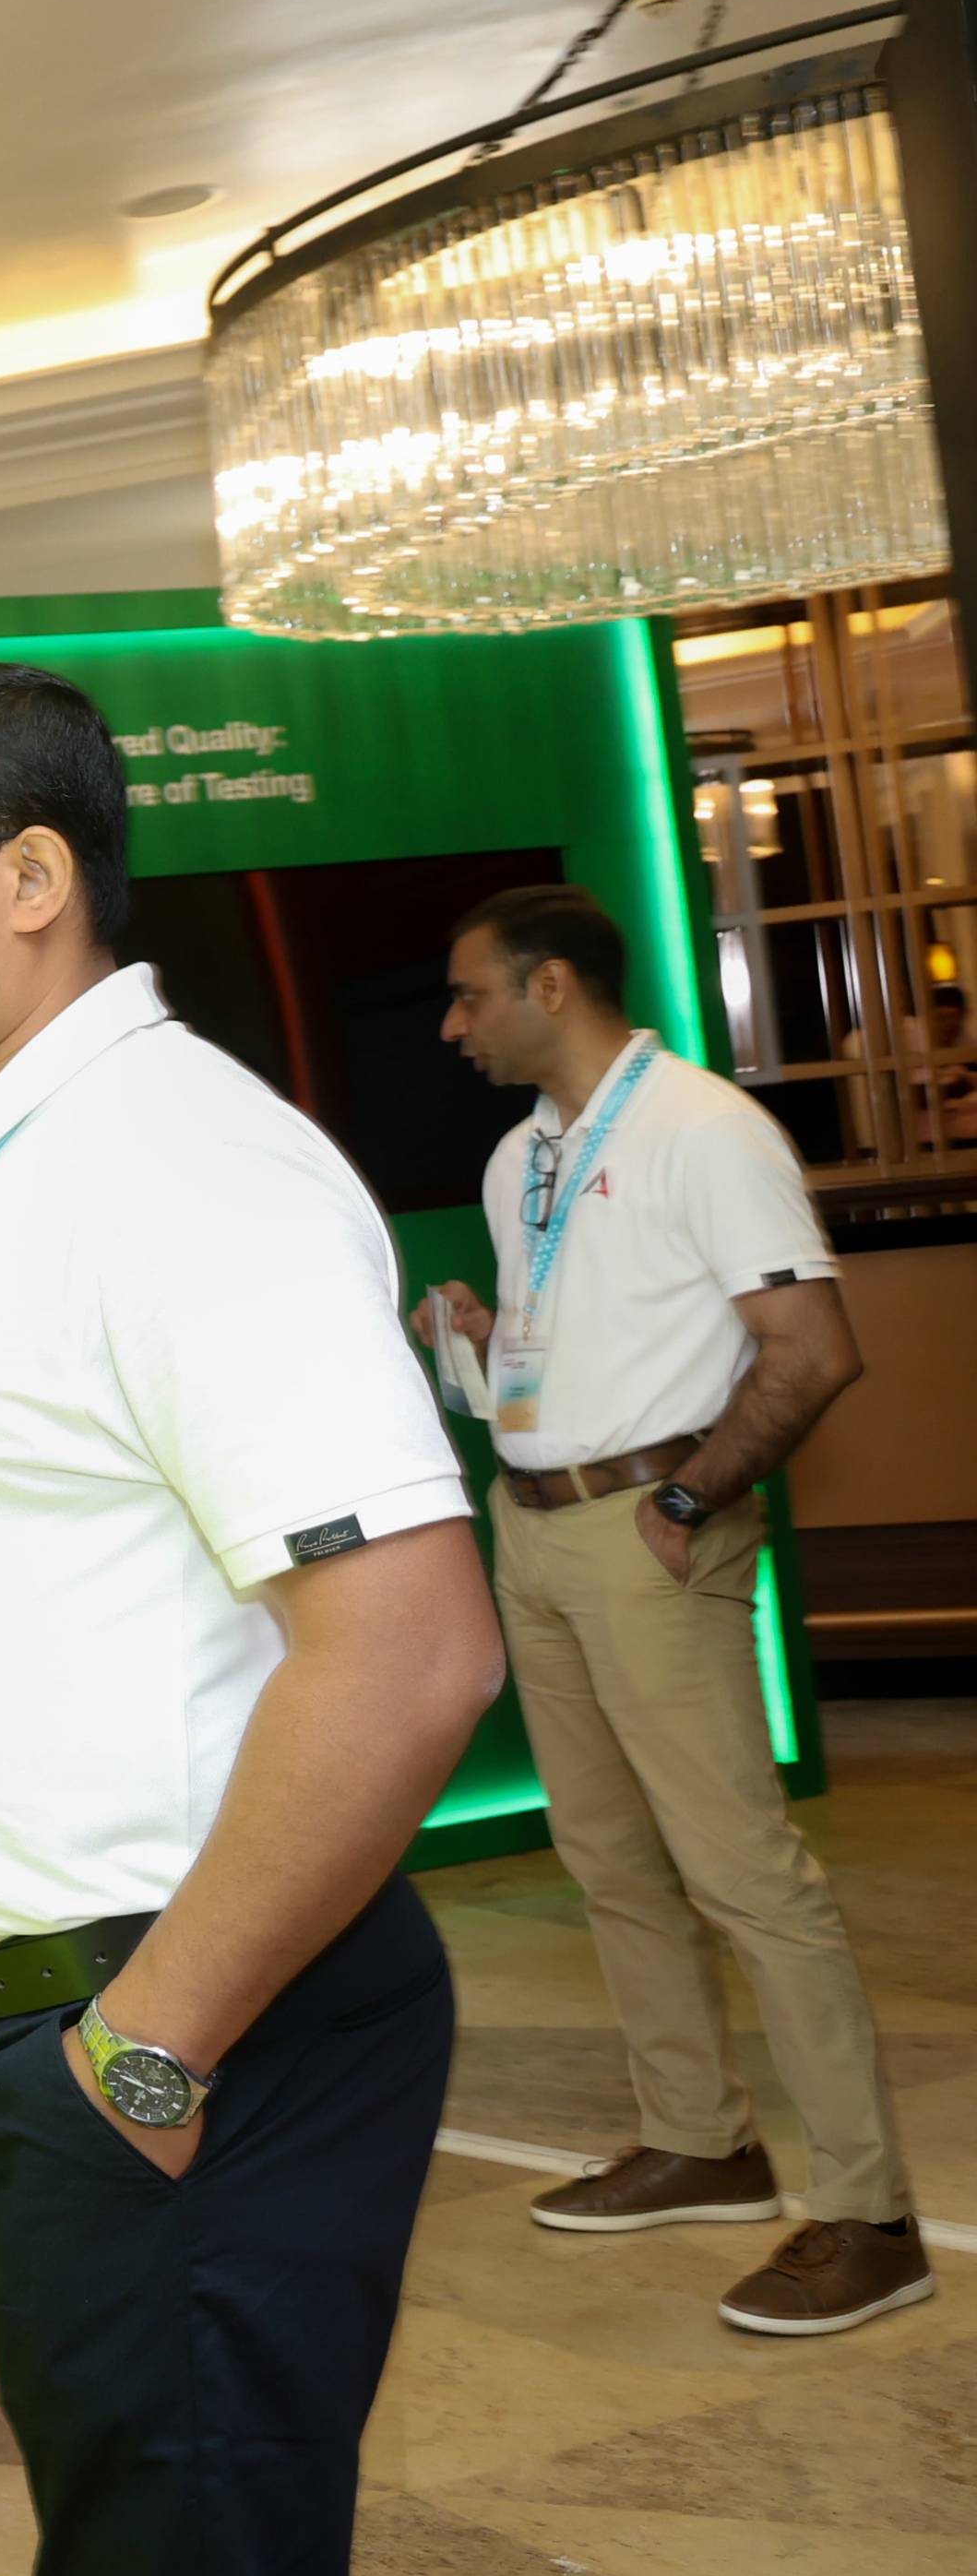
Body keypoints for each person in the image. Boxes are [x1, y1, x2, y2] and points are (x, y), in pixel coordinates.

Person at [0, 663, 506, 2576]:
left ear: (28, 877)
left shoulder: (179, 1166)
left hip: (178, 2026)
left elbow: (414, 1648)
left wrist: (146, 2057)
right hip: (13, 2019)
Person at [419, 885, 927, 2333]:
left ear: (553, 987)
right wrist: (483, 1345)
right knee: (610, 1859)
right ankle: (701, 2140)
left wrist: (692, 1502)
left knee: (746, 1876)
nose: (451, 1025)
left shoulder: (706, 1129)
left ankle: (870, 2215)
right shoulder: (523, 1156)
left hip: (650, 1535)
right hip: (537, 1526)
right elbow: (577, 1343)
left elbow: (812, 1349)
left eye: (470, 994)